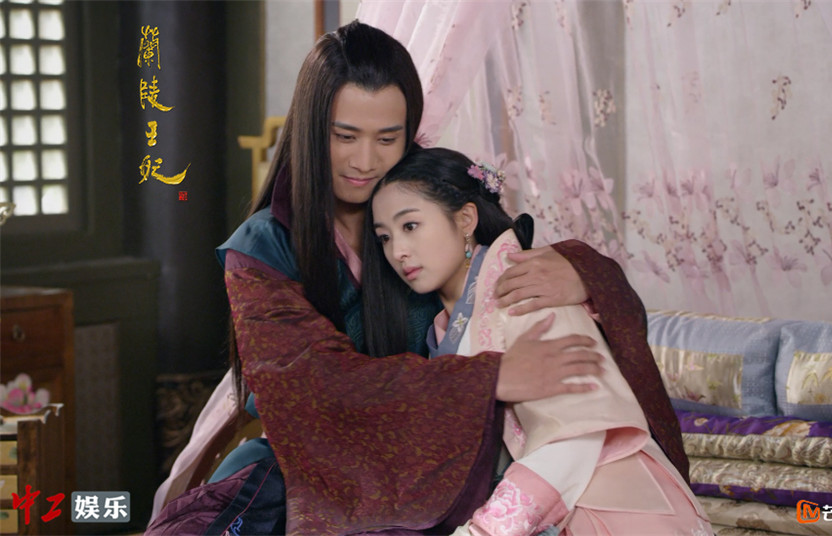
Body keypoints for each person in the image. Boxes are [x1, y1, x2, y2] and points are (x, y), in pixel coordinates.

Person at [149, 20, 685, 535]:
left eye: (388, 138)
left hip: (450, 465)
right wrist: (490, 379)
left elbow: (497, 247)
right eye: (344, 136)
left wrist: (582, 271)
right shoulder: (264, 248)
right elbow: (312, 386)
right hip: (306, 470)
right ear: (312, 131)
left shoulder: (424, 202)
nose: (365, 161)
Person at [363, 147, 712, 536]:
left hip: (619, 510)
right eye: (384, 237)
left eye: (410, 226)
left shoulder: (530, 290)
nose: (398, 251)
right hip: (560, 510)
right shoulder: (446, 323)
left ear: (465, 219)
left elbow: (579, 434)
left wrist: (483, 531)